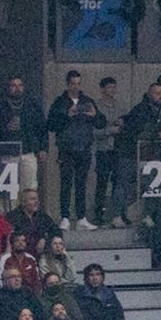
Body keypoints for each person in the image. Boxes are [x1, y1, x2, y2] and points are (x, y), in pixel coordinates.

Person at [46, 70, 104, 231]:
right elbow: (51, 124)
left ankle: (81, 217)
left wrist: (94, 115)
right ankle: (65, 216)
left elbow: (101, 123)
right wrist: (67, 115)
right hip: (66, 149)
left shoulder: (87, 101)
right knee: (66, 183)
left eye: (78, 83)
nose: (76, 86)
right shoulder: (60, 102)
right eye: (73, 83)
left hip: (84, 148)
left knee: (81, 184)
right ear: (67, 84)